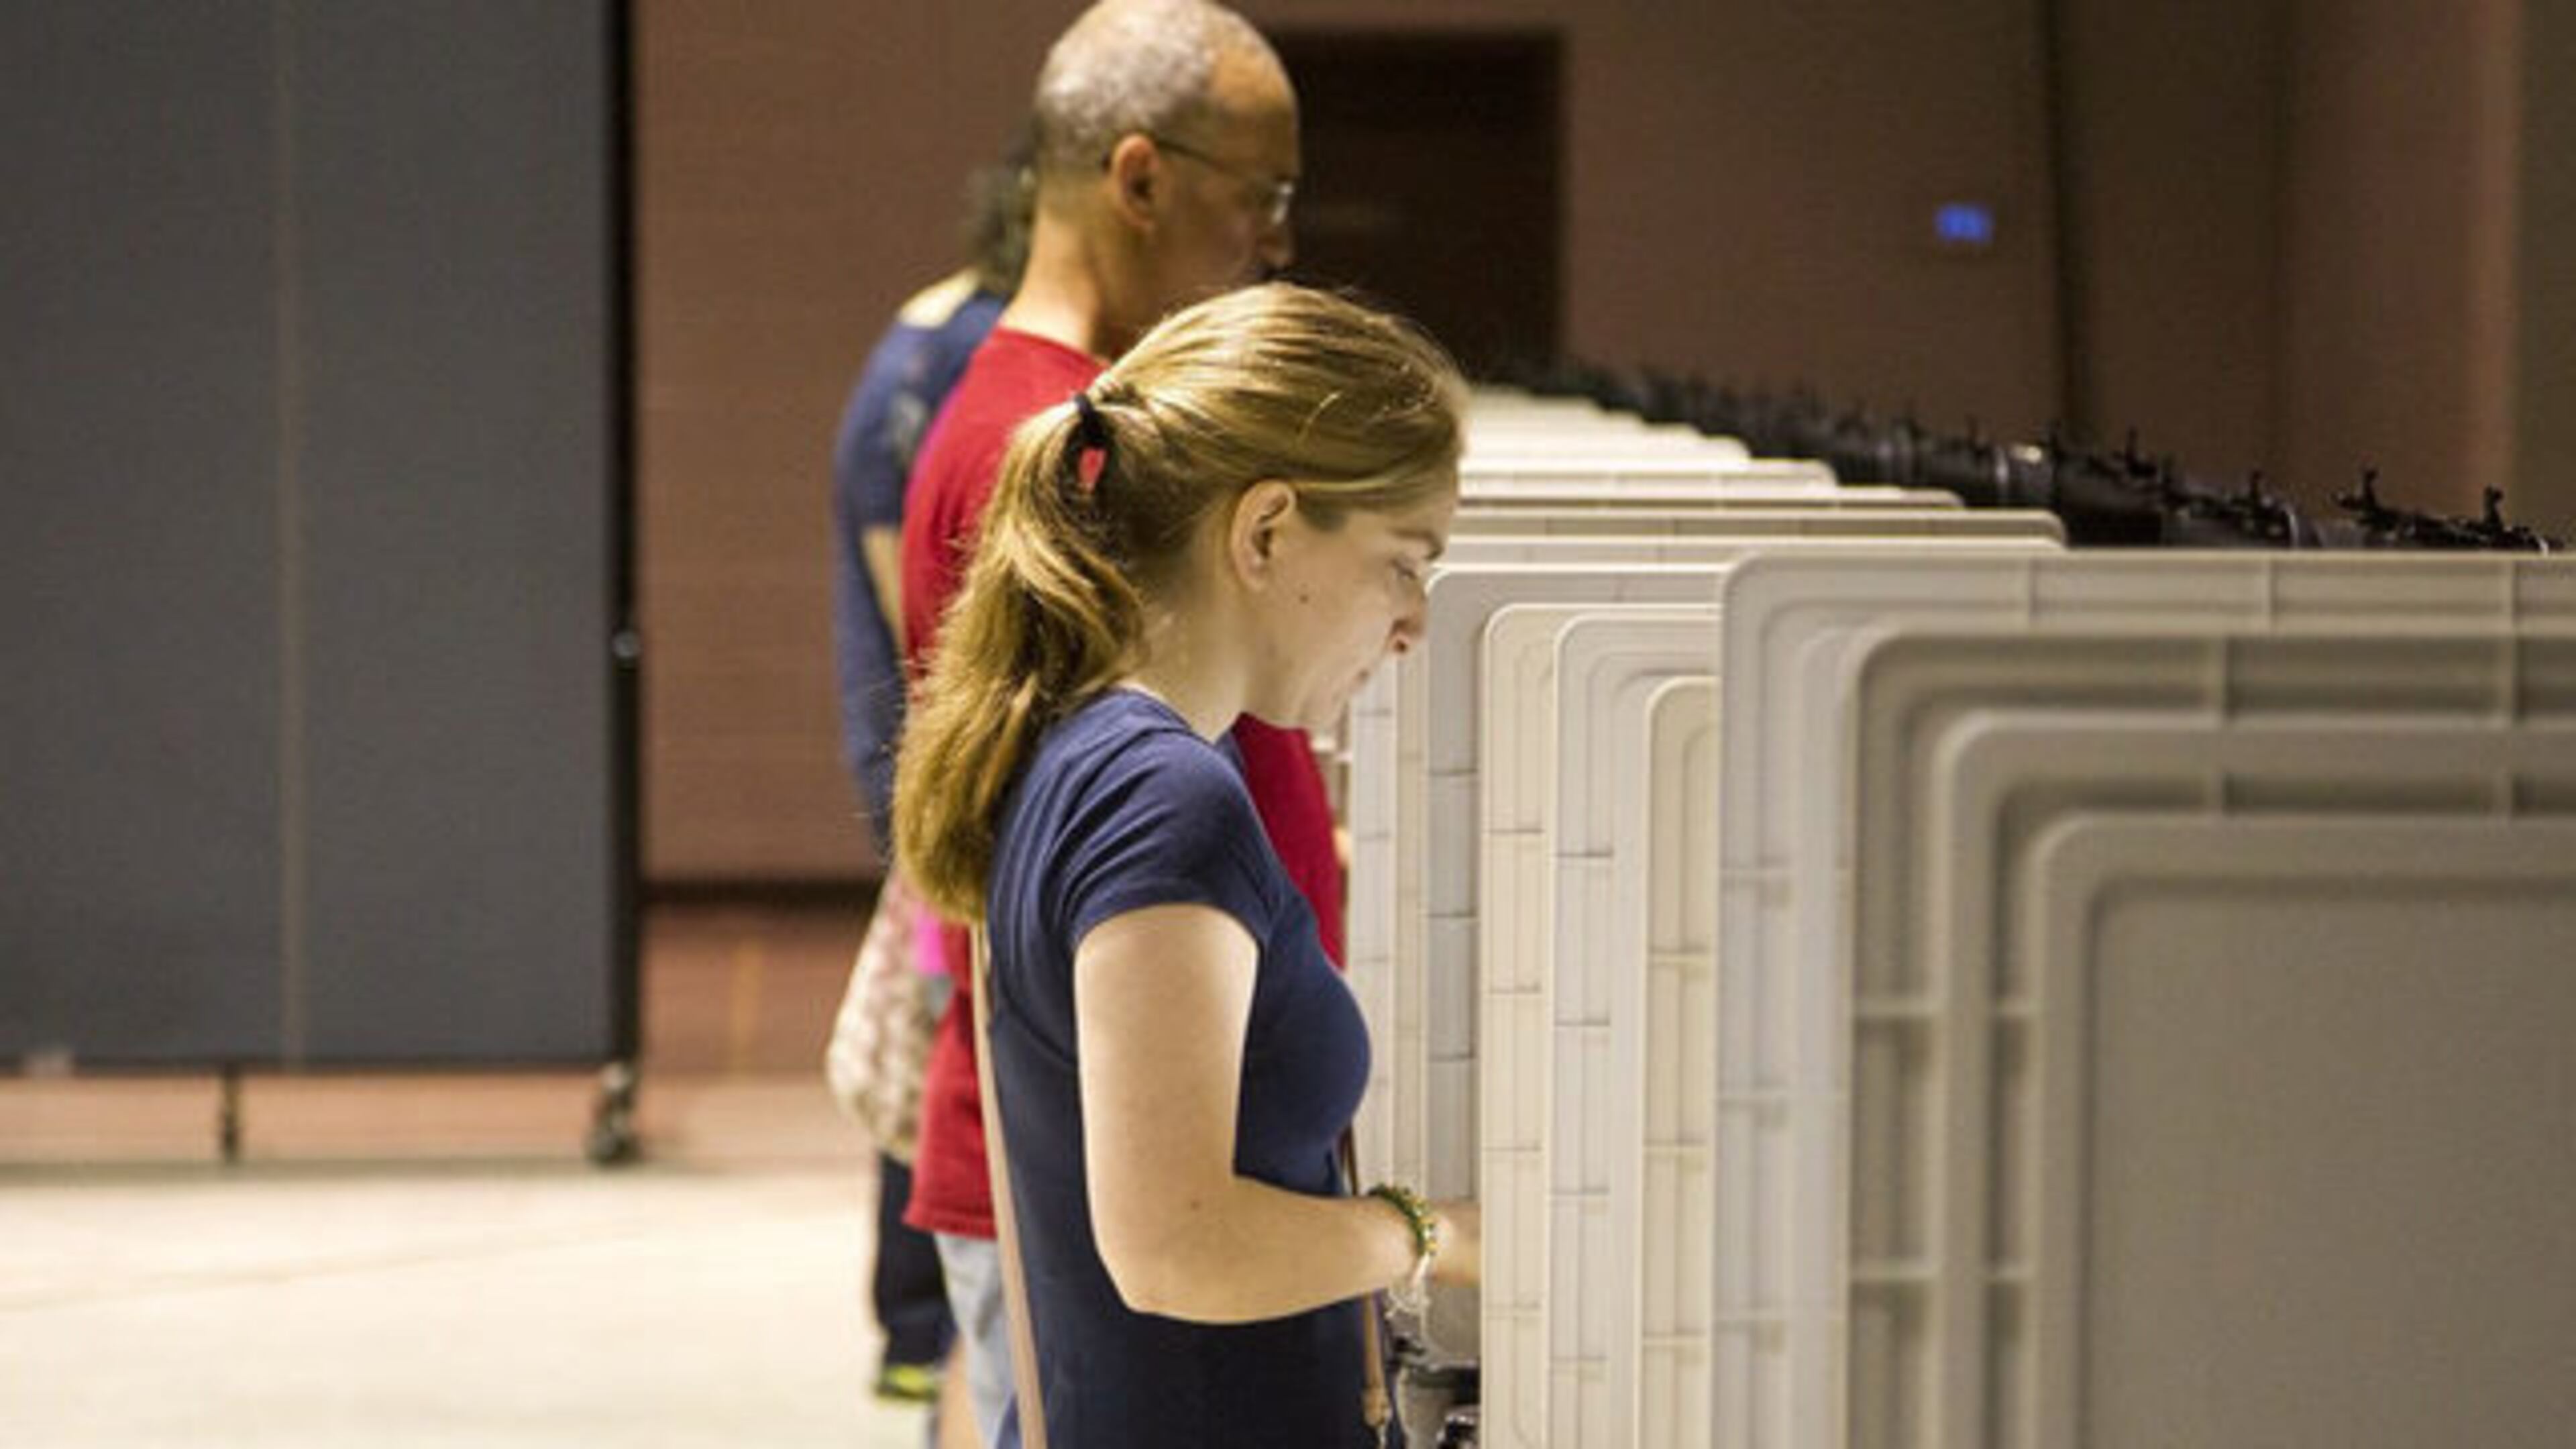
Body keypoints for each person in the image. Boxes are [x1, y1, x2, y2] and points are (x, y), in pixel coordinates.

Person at [895, 281, 1484, 1449]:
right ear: (1266, 531)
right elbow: (1177, 1244)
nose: (1414, 623)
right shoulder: (1166, 798)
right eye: (1403, 565)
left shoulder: (1095, 746)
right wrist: (1438, 1233)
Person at [893, 4, 1327, 1444]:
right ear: (1139, 179)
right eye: (1256, 197)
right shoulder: (1059, 450)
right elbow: (1041, 905)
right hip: (1101, 1181)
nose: (1273, 241)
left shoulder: (1084, 423)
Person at [825, 145, 1030, 1432]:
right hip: (949, 778)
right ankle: (921, 1339)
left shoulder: (937, 337)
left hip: (941, 768)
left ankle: (923, 1339)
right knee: (953, 1082)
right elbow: (934, 613)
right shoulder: (947, 364)